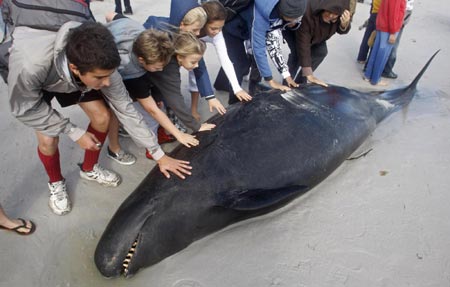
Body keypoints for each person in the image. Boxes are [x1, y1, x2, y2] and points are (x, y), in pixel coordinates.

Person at [7, 21, 192, 216]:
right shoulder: (30, 66)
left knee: (103, 116)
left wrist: (157, 154)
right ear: (75, 68)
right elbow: (25, 109)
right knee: (48, 137)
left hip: (74, 74)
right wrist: (74, 131)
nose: (107, 83)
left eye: (110, 75)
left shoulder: (104, 69)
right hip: (42, 78)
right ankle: (56, 182)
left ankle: (89, 168)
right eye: (101, 77)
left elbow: (126, 110)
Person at [105, 13, 213, 161]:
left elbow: (112, 15)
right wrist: (179, 134)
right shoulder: (133, 72)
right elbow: (153, 109)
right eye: (157, 68)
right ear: (142, 61)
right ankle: (147, 148)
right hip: (114, 70)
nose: (161, 71)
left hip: (122, 31)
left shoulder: (148, 35)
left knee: (156, 102)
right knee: (141, 115)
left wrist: (156, 95)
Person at [144, 0, 227, 123]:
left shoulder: (185, 36)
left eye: (200, 29)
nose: (198, 34)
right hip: (145, 67)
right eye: (195, 30)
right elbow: (173, 91)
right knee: (163, 91)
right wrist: (195, 126)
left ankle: (168, 111)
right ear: (181, 24)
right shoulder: (160, 37)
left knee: (165, 89)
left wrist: (210, 96)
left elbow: (200, 67)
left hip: (161, 67)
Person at [214, 0, 307, 104]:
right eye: (294, 19)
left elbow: (273, 43)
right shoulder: (260, 16)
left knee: (246, 62)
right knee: (240, 64)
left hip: (246, 29)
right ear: (283, 13)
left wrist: (286, 74)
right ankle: (234, 102)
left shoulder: (281, 11)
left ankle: (222, 84)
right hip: (232, 30)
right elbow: (258, 48)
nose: (296, 21)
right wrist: (270, 80)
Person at [189, 0, 252, 121]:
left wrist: (236, 88)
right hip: (192, 39)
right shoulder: (192, 28)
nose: (217, 31)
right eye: (214, 28)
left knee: (231, 58)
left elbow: (225, 59)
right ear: (203, 23)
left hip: (202, 36)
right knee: (193, 72)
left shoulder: (217, 33)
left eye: (220, 28)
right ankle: (193, 108)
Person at [282, 0, 352, 87]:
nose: (331, 16)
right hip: (296, 30)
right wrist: (309, 74)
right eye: (329, 11)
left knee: (321, 52)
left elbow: (341, 30)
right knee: (297, 54)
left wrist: (344, 25)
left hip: (318, 35)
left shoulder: (343, 6)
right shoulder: (308, 9)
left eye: (335, 14)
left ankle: (300, 83)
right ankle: (287, 85)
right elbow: (303, 44)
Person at [363, 0, 405, 86]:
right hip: (388, 28)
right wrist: (393, 32)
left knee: (375, 51)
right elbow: (394, 14)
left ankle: (368, 75)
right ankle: (375, 79)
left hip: (382, 23)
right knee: (383, 54)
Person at [381, 0, 414, 79]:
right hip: (400, 17)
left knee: (387, 44)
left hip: (400, 15)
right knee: (393, 45)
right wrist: (393, 30)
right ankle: (387, 69)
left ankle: (382, 69)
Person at [356, 0, 382, 64]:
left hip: (374, 11)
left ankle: (361, 57)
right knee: (375, 38)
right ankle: (369, 63)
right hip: (381, 13)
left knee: (367, 36)